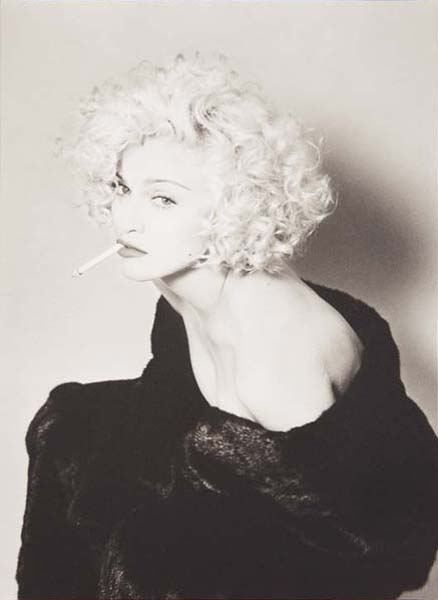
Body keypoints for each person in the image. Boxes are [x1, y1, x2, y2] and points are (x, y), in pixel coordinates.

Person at [16, 53, 438, 600]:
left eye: (163, 198)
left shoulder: (273, 360)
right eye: (122, 187)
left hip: (315, 540)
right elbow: (169, 399)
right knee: (68, 425)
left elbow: (353, 547)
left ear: (233, 208)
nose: (128, 218)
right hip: (231, 478)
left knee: (143, 560)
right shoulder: (188, 282)